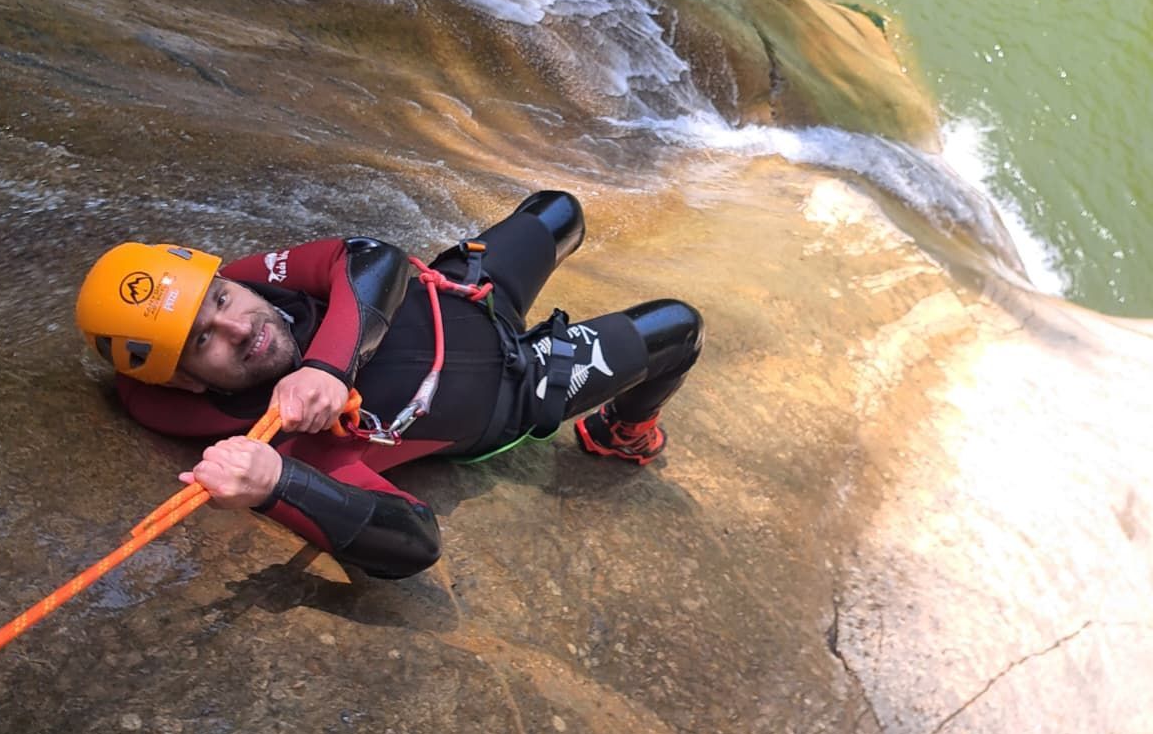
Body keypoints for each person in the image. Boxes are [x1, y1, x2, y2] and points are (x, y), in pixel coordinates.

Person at [75, 191, 704, 581]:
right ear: (186, 384)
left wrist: (326, 368)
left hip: (464, 291)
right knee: (677, 326)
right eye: (202, 341)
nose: (240, 325)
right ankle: (620, 433)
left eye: (219, 298)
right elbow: (413, 543)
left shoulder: (254, 283)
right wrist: (276, 485)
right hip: (522, 381)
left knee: (560, 209)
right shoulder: (296, 444)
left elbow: (374, 258)